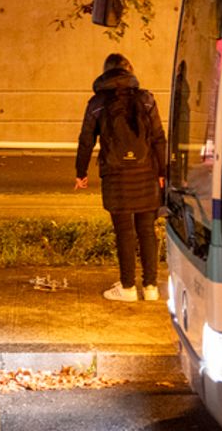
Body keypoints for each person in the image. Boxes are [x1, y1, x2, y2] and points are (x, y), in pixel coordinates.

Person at [75, 53, 167, 303]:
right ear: (129, 71)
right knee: (147, 230)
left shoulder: (97, 103)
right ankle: (150, 287)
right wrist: (162, 173)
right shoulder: (146, 99)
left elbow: (86, 140)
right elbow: (159, 137)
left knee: (124, 231)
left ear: (106, 73)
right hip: (146, 172)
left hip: (116, 176)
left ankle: (127, 287)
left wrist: (80, 172)